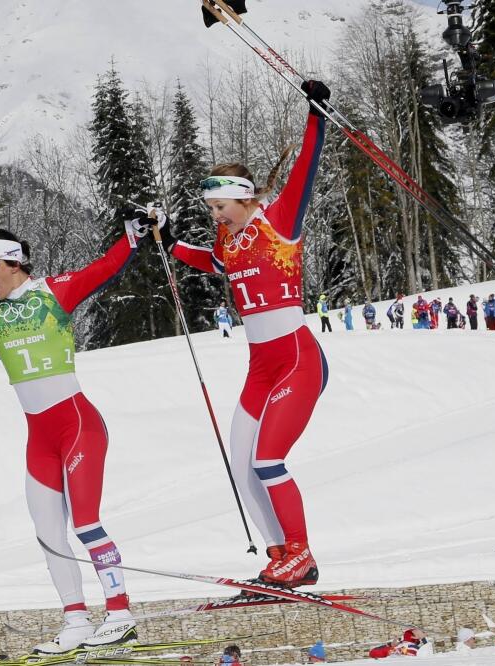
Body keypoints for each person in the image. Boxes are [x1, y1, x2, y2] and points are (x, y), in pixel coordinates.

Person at [0, 146, 141, 653]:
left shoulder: (54, 292)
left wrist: (133, 235)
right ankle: (75, 621)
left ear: (12, 262)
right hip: (38, 436)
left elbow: (104, 268)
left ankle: (121, 613)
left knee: (87, 522)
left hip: (76, 424)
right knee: (48, 532)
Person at [162, 79, 331, 588]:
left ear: (242, 198)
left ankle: (302, 554)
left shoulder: (280, 219)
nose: (215, 217)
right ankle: (280, 554)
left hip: (298, 358)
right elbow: (208, 260)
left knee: (269, 458)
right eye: (211, 211)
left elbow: (305, 168)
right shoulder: (227, 239)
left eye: (220, 208)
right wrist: (171, 241)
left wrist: (316, 114)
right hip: (261, 365)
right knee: (242, 463)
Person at [368, 628, 433, 658]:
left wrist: (426, 644)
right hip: (404, 647)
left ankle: (398, 654)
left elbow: (420, 635)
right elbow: (419, 632)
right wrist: (395, 639)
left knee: (401, 651)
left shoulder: (412, 639)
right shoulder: (410, 632)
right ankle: (398, 653)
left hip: (407, 647)